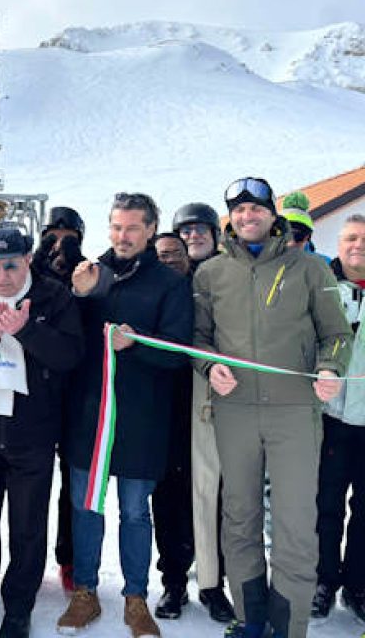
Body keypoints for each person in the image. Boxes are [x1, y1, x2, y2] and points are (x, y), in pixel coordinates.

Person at [193, 176, 352, 638]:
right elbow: (199, 340)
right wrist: (208, 369)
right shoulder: (211, 274)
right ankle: (251, 618)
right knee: (239, 517)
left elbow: (337, 335)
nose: (247, 217)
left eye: (256, 209)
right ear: (231, 218)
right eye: (238, 211)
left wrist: (329, 368)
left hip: (294, 413)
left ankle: (288, 626)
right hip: (235, 410)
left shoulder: (309, 268)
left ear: (272, 214)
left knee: (295, 524)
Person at [58, 193, 193, 638]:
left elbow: (178, 354)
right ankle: (85, 591)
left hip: (141, 419)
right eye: (116, 227)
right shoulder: (94, 273)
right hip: (89, 417)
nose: (122, 236)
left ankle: (136, 597)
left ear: (152, 230)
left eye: (132, 228)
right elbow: (66, 339)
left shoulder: (170, 285)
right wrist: (76, 295)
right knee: (85, 507)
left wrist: (139, 343)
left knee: (135, 512)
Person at [0, 226, 83, 638]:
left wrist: (27, 330)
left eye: (10, 265)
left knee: (27, 525)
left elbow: (71, 356)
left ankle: (19, 606)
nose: (1, 276)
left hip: (33, 432)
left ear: (27, 260)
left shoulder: (54, 297)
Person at [173, 201, 235, 623]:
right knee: (172, 497)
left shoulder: (228, 274)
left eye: (201, 229)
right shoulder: (166, 274)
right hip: (168, 396)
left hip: (211, 394)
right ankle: (174, 582)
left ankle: (213, 584)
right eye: (186, 230)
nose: (193, 236)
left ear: (215, 234)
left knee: (212, 494)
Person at [312, 214, 365, 622]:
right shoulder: (321, 286)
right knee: (325, 504)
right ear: (338, 242)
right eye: (350, 238)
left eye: (364, 239)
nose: (357, 246)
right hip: (328, 418)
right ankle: (324, 579)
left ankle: (358, 584)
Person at [32, 206, 87, 593]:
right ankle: (27, 559)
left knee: (74, 485)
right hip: (34, 391)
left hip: (77, 392)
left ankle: (69, 558)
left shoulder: (87, 272)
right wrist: (40, 262)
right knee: (30, 483)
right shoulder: (32, 272)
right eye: (54, 234)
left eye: (69, 236)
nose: (60, 243)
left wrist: (78, 267)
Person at [148, 233, 195, 620]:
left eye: (176, 255)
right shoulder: (150, 292)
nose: (169, 261)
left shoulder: (202, 291)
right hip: (159, 413)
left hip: (203, 412)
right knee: (165, 501)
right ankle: (173, 582)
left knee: (203, 501)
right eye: (161, 255)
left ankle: (210, 580)